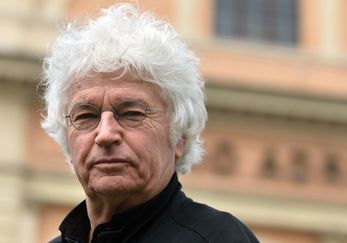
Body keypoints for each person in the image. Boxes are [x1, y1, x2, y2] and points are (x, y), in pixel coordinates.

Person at [41, 3, 259, 243]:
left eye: (132, 113)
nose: (105, 134)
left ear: (179, 137)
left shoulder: (217, 238)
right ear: (67, 140)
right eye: (86, 116)